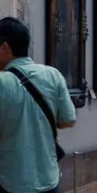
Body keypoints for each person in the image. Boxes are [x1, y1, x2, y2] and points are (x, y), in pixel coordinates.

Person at [0, 17, 76, 193]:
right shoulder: (53, 75)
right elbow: (68, 120)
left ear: (4, 47)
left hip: (11, 181)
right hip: (48, 179)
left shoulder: (2, 82)